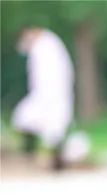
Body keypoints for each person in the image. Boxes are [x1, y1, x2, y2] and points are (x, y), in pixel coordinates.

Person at [11, 26, 74, 172]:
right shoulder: (45, 46)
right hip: (46, 95)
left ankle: (50, 160)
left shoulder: (46, 46)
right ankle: (35, 156)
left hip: (51, 96)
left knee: (51, 128)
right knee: (27, 121)